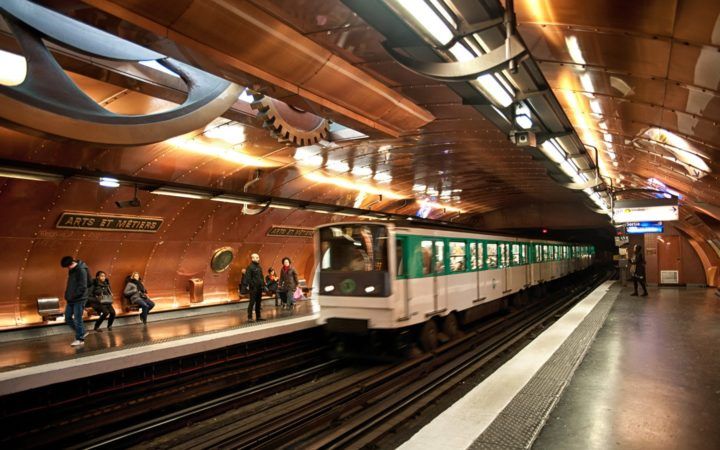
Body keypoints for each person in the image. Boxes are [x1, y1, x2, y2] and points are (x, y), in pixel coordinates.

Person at [60, 256, 91, 346]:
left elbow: (83, 286)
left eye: (68, 266)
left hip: (80, 298)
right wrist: (67, 294)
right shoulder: (72, 270)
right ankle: (82, 332)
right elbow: (70, 284)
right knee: (68, 318)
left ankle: (80, 339)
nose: (68, 268)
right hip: (71, 298)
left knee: (77, 319)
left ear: (72, 264)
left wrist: (73, 295)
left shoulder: (81, 270)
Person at [246, 253, 264, 321]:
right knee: (252, 302)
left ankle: (258, 316)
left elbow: (261, 277)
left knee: (258, 302)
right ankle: (249, 317)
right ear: (252, 258)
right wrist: (252, 285)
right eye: (255, 257)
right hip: (253, 288)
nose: (257, 259)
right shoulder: (250, 267)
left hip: (259, 288)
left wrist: (263, 285)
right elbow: (248, 278)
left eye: (258, 257)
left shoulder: (259, 267)